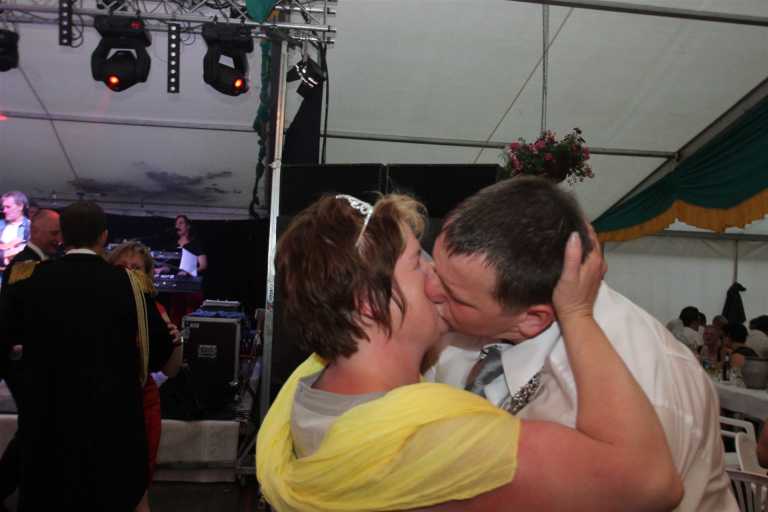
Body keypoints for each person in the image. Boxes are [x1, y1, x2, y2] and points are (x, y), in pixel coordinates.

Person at [256, 193, 682, 511]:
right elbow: (650, 482)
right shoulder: (433, 444)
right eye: (417, 263)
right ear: (369, 303)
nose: (435, 280)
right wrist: (576, 313)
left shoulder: (313, 391)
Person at [424, 177, 737, 512]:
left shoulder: (642, 391)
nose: (430, 289)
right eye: (433, 268)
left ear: (532, 319)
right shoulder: (474, 317)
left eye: (455, 296)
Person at [0, 201, 175, 512]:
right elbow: (159, 352)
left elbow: (5, 338)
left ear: (63, 236)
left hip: (48, 423)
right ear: (104, 236)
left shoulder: (28, 278)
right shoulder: (130, 284)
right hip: (110, 426)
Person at [106, 241, 184, 512]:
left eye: (136, 267)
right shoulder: (99, 306)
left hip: (143, 402)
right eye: (122, 266)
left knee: (139, 481)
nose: (129, 272)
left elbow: (170, 370)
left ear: (148, 276)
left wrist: (176, 342)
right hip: (107, 401)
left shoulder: (156, 310)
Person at [0, 208, 61, 507]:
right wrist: (18, 342)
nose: (58, 239)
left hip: (25, 359)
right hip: (21, 360)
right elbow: (13, 309)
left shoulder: (36, 262)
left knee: (33, 427)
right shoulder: (26, 263)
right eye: (54, 233)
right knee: (34, 427)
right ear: (35, 231)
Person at [0, 191, 31, 266]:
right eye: (3, 207)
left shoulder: (31, 227)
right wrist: (7, 247)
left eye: (8, 207)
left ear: (20, 206)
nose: (4, 211)